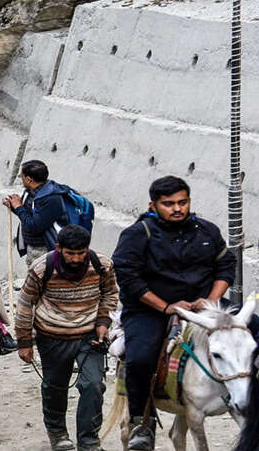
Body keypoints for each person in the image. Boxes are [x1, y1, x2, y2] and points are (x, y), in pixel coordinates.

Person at [111, 176, 254, 450]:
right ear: (153, 205)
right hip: (151, 309)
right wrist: (167, 307)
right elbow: (130, 279)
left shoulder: (207, 231)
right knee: (140, 357)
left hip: (204, 303)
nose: (177, 208)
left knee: (253, 331)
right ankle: (142, 422)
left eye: (182, 202)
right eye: (169, 204)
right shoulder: (136, 235)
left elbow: (226, 265)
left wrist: (210, 302)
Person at [16, 225, 119, 451]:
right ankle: (57, 432)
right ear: (58, 248)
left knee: (93, 385)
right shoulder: (42, 268)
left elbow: (110, 293)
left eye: (81, 253)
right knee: (55, 386)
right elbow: (25, 304)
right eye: (70, 253)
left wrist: (103, 322)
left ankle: (89, 441)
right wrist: (24, 342)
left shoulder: (102, 265)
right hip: (52, 336)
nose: (76, 258)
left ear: (87, 249)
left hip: (90, 335)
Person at [3, 160, 70, 268]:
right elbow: (28, 215)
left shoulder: (50, 198)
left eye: (22, 176)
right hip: (33, 247)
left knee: (40, 280)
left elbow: (35, 226)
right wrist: (13, 206)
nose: (21, 179)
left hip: (44, 249)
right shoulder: (31, 192)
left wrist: (18, 207)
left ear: (29, 179)